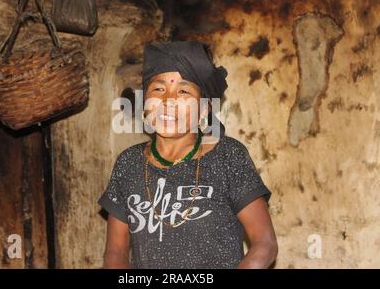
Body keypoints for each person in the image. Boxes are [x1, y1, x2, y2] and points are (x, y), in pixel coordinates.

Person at [98, 41, 278, 269]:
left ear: (203, 109)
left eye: (183, 91)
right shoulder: (129, 163)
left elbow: (265, 243)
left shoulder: (228, 156)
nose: (168, 101)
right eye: (158, 89)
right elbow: (116, 251)